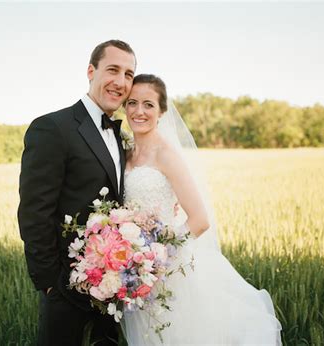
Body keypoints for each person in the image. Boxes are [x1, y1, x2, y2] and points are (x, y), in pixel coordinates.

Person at [122, 74, 282, 345]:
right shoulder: (125, 151)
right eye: (132, 103)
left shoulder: (166, 155)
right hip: (135, 270)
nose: (139, 111)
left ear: (161, 111)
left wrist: (157, 258)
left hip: (166, 270)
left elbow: (199, 220)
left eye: (148, 104)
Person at [18, 39, 136, 346]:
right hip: (64, 291)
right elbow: (34, 211)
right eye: (113, 70)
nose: (120, 82)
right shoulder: (52, 128)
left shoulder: (122, 136)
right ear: (90, 71)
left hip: (112, 288)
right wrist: (50, 285)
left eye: (128, 74)